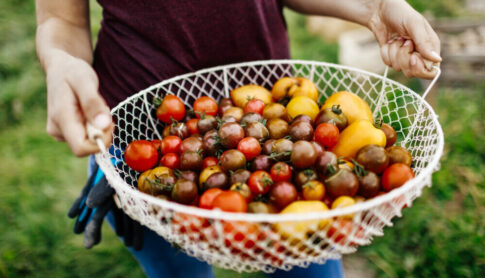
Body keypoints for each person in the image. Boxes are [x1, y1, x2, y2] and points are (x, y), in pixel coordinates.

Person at [35, 0, 441, 277]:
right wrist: (60, 61)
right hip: (144, 140)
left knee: (310, 266)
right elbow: (61, 20)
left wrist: (374, 7)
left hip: (274, 113)